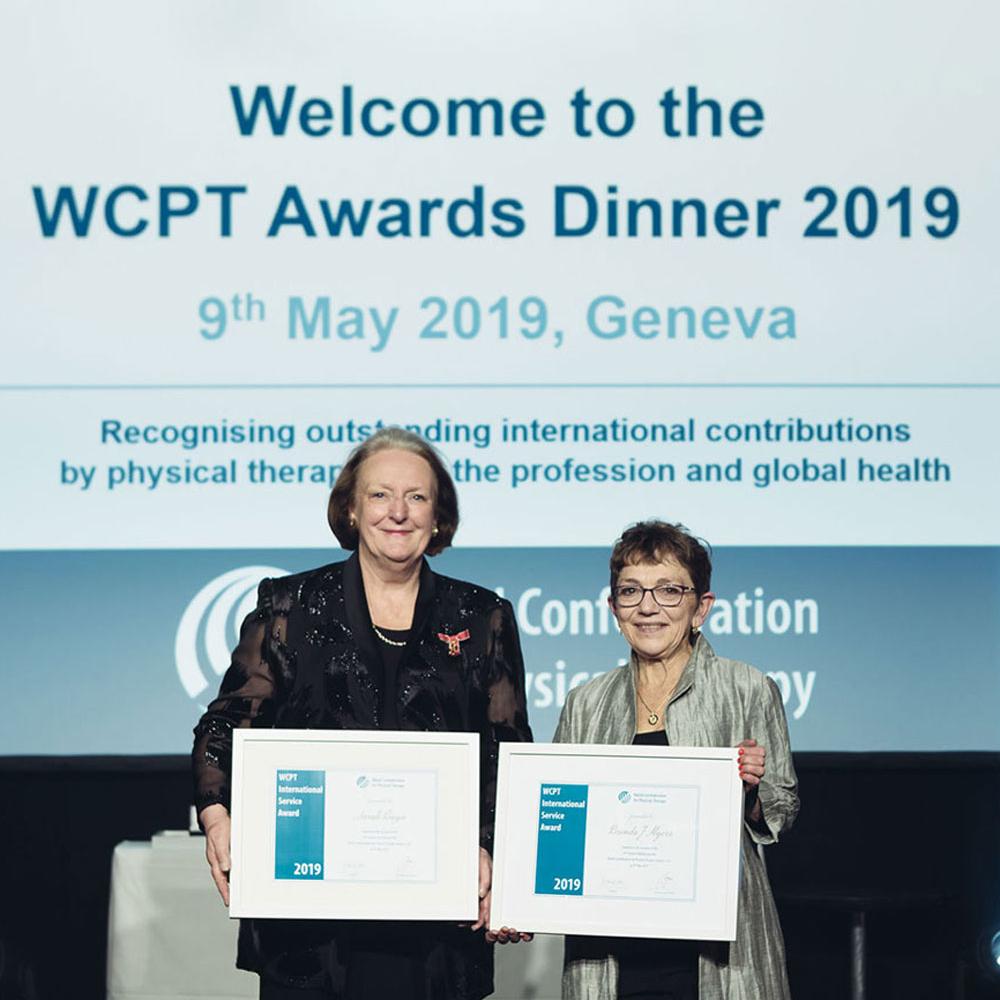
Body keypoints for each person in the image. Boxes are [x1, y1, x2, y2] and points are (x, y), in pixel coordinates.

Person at [192, 427, 533, 1000]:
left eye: (417, 497)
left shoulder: (483, 614)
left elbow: (508, 750)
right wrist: (217, 817)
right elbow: (226, 723)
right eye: (379, 495)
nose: (397, 512)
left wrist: (492, 849)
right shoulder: (289, 604)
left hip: (437, 924)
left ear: (438, 515)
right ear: (351, 509)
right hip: (311, 925)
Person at [554, 521, 799, 1000]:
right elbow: (562, 823)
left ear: (700, 608)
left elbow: (782, 809)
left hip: (715, 955)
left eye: (668, 590)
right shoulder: (584, 702)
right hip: (612, 953)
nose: (648, 607)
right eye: (631, 591)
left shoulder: (747, 687)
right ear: (613, 608)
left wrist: (750, 793)